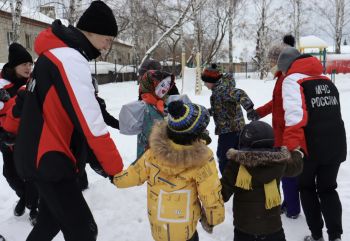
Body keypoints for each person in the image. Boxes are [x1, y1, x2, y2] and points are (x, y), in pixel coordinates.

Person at [13, 1, 124, 241]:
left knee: (49, 223)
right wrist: (115, 168)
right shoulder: (69, 59)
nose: (108, 45)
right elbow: (90, 121)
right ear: (90, 31)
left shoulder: (55, 55)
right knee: (84, 231)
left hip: (43, 156)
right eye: (107, 38)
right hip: (49, 159)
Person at [113, 100, 225, 241]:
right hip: (185, 230)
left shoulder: (153, 153)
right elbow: (210, 192)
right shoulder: (202, 160)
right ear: (195, 134)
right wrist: (214, 218)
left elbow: (134, 174)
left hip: (159, 228)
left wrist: (116, 178)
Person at [276, 47, 347, 241]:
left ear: (287, 67)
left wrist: (291, 149)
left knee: (306, 188)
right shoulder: (325, 80)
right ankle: (335, 236)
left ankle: (317, 235)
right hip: (335, 144)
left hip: (310, 146)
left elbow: (295, 117)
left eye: (282, 70)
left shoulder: (293, 80)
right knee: (328, 189)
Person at [221, 121, 303, 241]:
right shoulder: (279, 162)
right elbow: (295, 167)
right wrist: (296, 154)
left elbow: (222, 192)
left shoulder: (237, 164)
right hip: (273, 229)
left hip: (244, 229)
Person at [255, 35, 301, 219]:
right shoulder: (281, 77)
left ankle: (293, 209)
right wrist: (259, 112)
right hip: (279, 134)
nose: (270, 63)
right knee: (285, 174)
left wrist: (285, 141)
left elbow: (288, 110)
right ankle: (289, 202)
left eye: (272, 60)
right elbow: (276, 102)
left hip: (285, 136)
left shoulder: (287, 79)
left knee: (288, 174)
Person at [0, 43, 39, 225]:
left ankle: (34, 207)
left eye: (30, 64)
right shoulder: (2, 87)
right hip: (5, 138)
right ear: (13, 65)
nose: (28, 68)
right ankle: (24, 197)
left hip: (28, 138)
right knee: (10, 173)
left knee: (29, 174)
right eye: (24, 64)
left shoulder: (33, 84)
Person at [201, 63, 258, 173]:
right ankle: (236, 180)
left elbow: (240, 93)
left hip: (229, 131)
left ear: (210, 81)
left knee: (225, 159)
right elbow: (220, 108)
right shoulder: (220, 90)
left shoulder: (222, 90)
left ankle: (228, 183)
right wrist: (205, 112)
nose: (204, 84)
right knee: (230, 156)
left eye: (205, 81)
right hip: (234, 129)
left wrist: (249, 108)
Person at [136, 69, 175, 158]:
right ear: (151, 85)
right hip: (150, 160)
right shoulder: (146, 108)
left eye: (168, 84)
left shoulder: (160, 103)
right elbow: (154, 137)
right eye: (163, 84)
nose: (166, 88)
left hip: (159, 158)